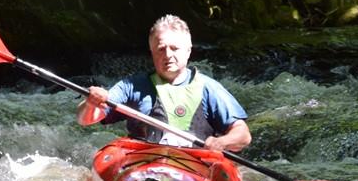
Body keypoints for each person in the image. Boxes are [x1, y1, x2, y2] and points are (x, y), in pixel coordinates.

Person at [77, 14, 251, 152]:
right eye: (161, 49)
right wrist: (91, 103)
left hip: (195, 167)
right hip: (143, 164)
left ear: (188, 51)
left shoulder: (209, 88)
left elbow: (242, 135)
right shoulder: (131, 86)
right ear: (152, 53)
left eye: (174, 48)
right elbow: (85, 119)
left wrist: (222, 142)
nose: (168, 55)